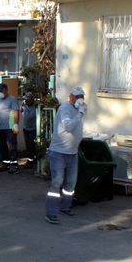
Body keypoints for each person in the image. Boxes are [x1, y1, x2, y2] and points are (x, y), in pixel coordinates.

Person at [45, 86, 87, 224]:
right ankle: (51, 213)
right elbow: (68, 126)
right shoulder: (65, 108)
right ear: (70, 97)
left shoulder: (78, 109)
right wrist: (80, 113)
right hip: (58, 153)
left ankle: (65, 206)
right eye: (77, 96)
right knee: (57, 182)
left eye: (82, 97)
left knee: (70, 183)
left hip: (72, 153)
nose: (80, 99)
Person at [21, 92, 37, 163]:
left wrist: (24, 107)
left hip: (33, 129)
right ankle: (30, 160)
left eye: (28, 99)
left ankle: (32, 160)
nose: (26, 101)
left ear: (31, 100)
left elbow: (30, 117)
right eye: (25, 99)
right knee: (28, 145)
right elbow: (22, 113)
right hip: (25, 129)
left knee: (32, 146)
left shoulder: (35, 108)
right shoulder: (24, 107)